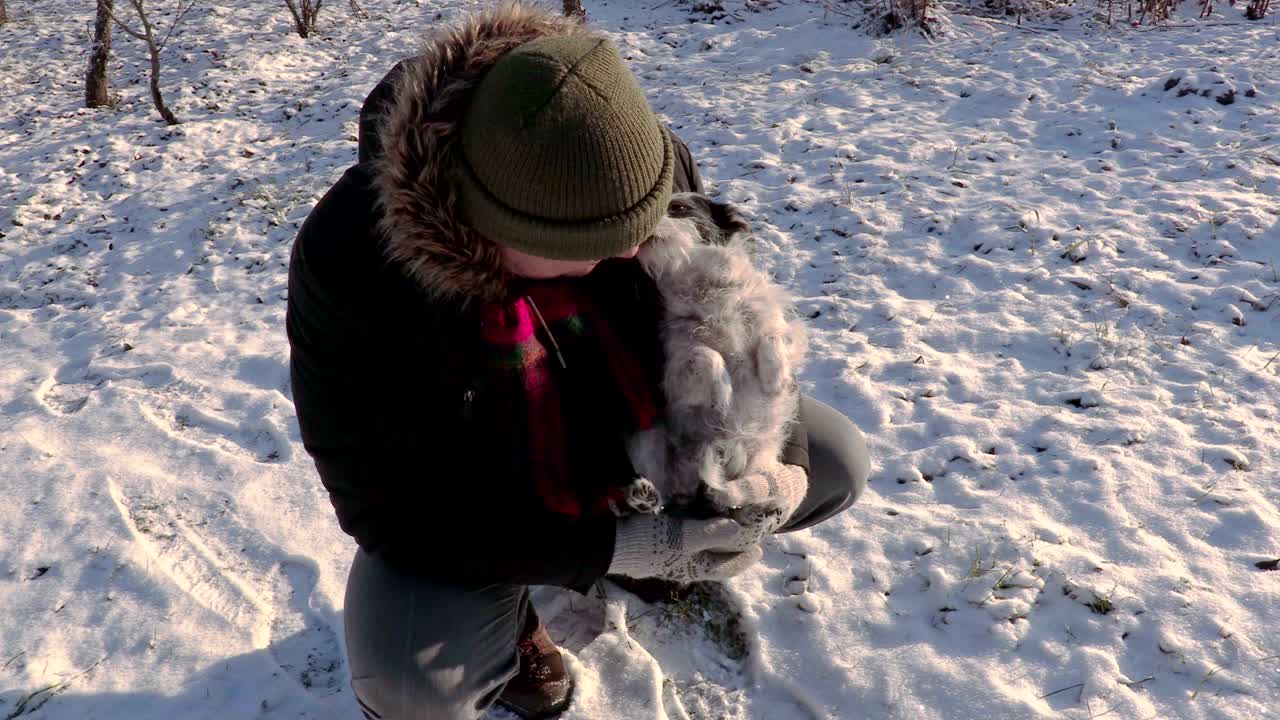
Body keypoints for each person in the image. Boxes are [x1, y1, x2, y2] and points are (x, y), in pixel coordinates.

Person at [285, 3, 871, 719]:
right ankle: (518, 619)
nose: (632, 249)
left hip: (630, 435)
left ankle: (648, 522)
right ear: (493, 228)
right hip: (480, 494)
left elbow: (740, 333)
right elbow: (398, 511)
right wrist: (618, 548)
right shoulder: (355, 269)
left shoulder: (637, 161)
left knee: (836, 462)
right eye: (598, 237)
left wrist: (778, 460)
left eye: (640, 219)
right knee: (413, 683)